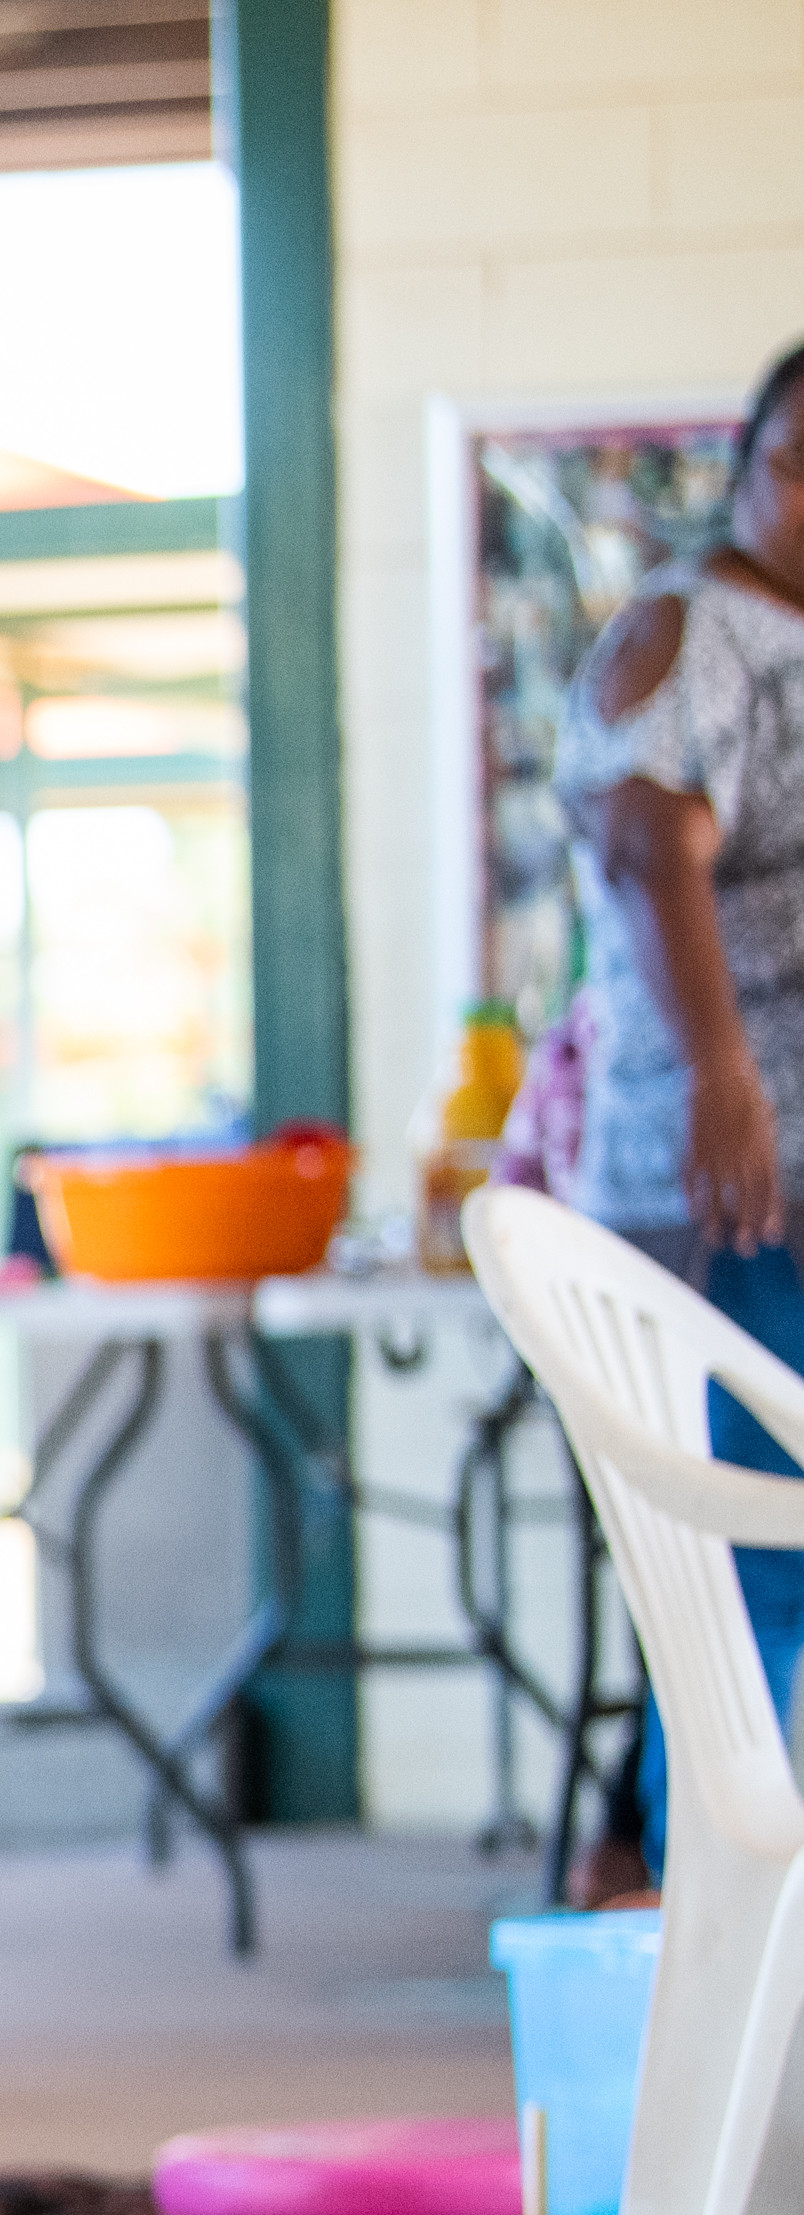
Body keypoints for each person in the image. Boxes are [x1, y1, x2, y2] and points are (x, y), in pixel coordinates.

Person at [557, 338, 804, 1878]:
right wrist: (727, 1075)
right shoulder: (692, 628)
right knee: (753, 1563)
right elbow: (654, 836)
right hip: (730, 1187)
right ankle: (725, 1944)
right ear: (751, 469)